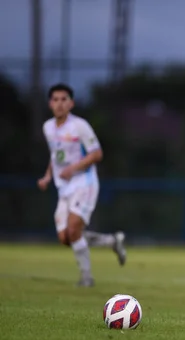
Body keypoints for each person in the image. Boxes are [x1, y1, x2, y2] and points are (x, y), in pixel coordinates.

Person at [38, 83, 127, 287]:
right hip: (64, 187)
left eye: (64, 99)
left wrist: (74, 168)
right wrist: (47, 176)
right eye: (55, 99)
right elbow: (55, 155)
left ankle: (87, 278)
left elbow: (97, 154)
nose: (59, 104)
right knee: (65, 237)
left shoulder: (80, 126)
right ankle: (112, 241)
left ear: (71, 103)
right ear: (50, 103)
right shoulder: (48, 128)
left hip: (84, 183)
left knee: (74, 229)